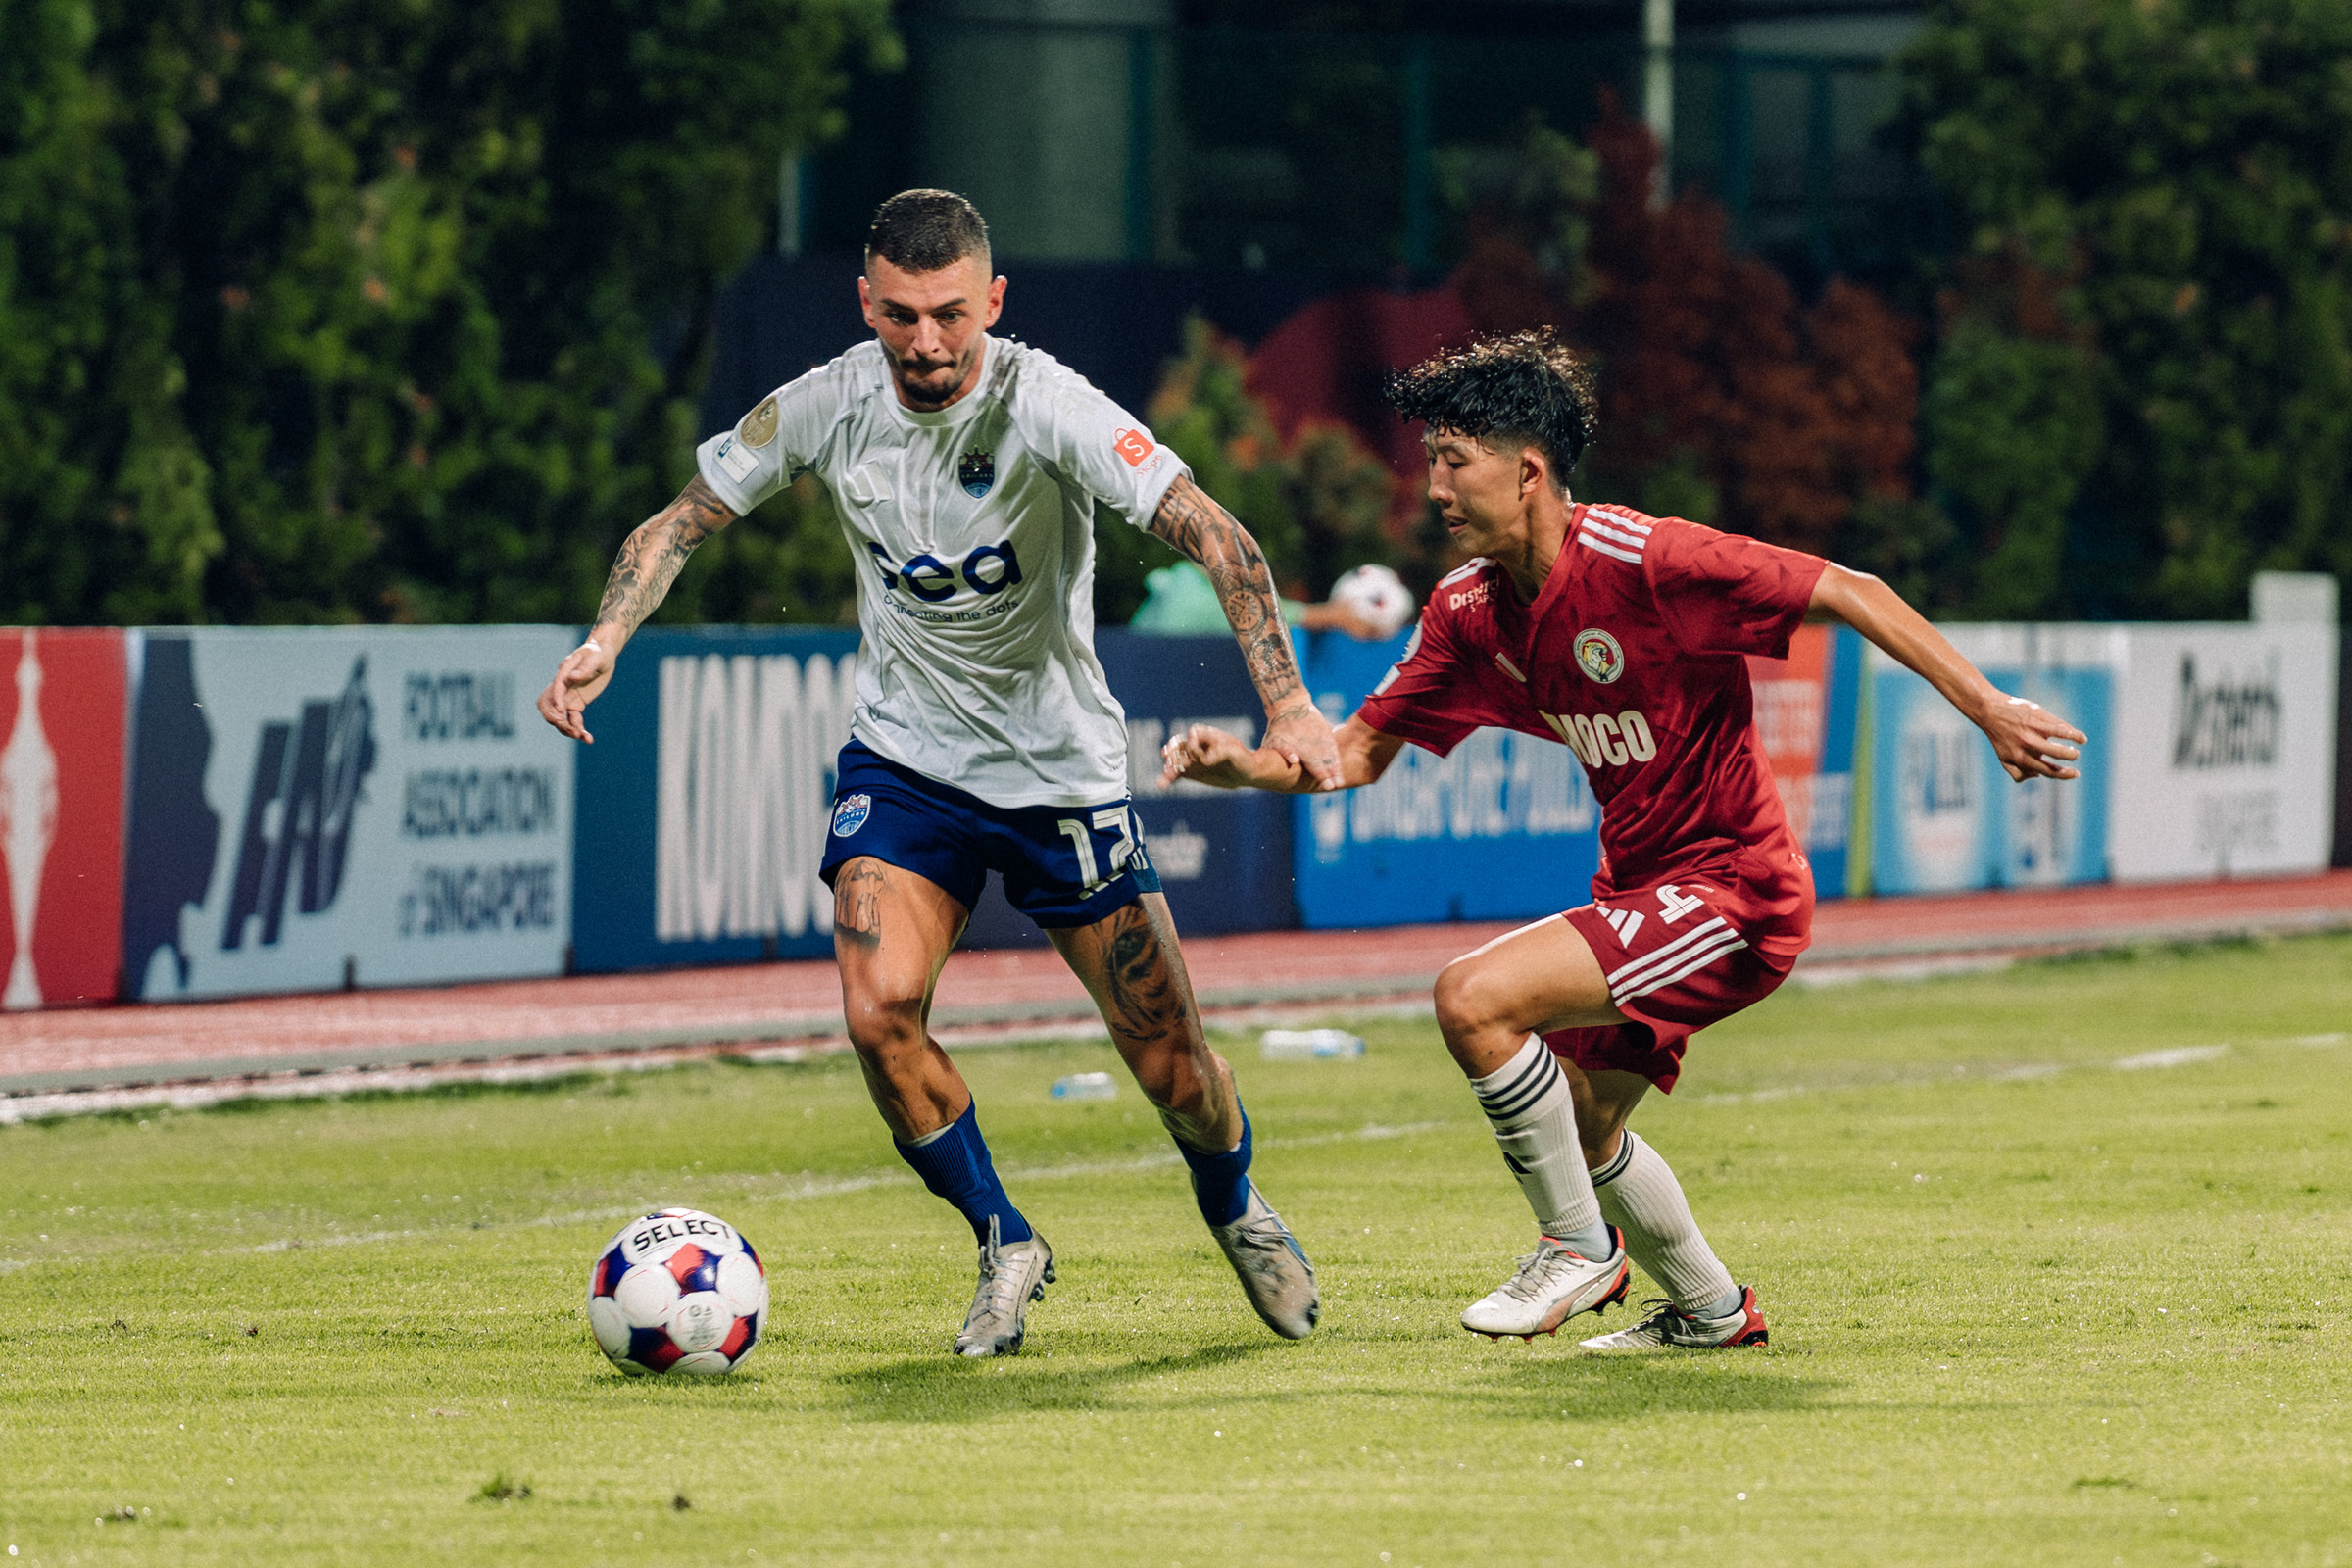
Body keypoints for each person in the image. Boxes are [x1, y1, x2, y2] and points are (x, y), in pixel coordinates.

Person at [1160, 329, 2085, 1348]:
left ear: (1529, 471)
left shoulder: (1648, 562)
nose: (1434, 488)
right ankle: (1713, 1312)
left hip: (1737, 891)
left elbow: (1847, 589)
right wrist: (1244, 768)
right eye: (1429, 461)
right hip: (1646, 892)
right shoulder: (1468, 611)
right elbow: (1354, 755)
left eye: (1454, 461)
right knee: (1585, 1123)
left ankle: (1576, 1248)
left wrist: (1989, 708)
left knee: (1472, 998)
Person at [538, 190, 1340, 1357]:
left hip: (1059, 775)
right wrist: (607, 637)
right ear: (866, 302)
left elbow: (1220, 535)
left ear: (993, 301)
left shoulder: (1049, 404)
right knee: (878, 1014)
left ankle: (1233, 1205)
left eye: (951, 314)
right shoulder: (827, 404)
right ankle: (1005, 1237)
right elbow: (681, 522)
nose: (925, 341)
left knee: (1174, 1066)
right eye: (902, 315)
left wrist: (1291, 705)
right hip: (906, 763)